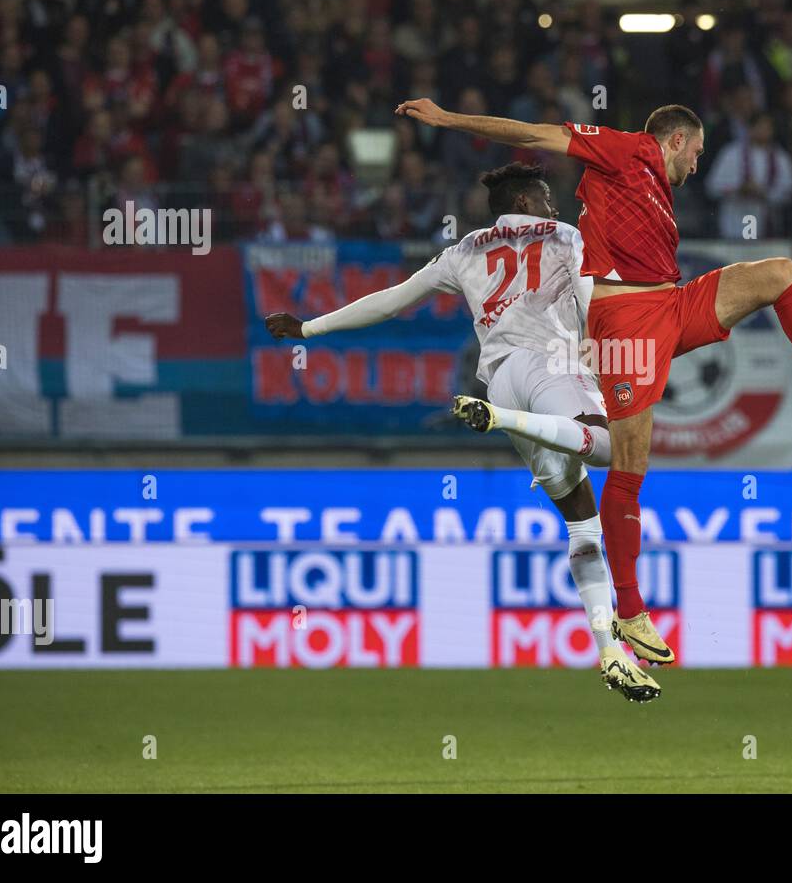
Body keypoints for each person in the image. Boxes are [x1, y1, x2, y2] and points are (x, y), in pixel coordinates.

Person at [393, 96, 792, 670]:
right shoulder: (622, 149)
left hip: (672, 302)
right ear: (674, 141)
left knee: (780, 274)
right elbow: (531, 133)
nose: (697, 167)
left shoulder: (659, 191)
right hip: (627, 325)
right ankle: (631, 610)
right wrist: (448, 120)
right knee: (629, 462)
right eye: (696, 154)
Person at [264, 162, 659, 703]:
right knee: (620, 448)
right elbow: (594, 302)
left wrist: (311, 327)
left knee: (581, 523)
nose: (554, 205)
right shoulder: (567, 236)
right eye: (545, 197)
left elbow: (394, 299)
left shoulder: (464, 250)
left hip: (500, 379)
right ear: (523, 200)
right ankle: (501, 421)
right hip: (551, 366)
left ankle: (609, 652)